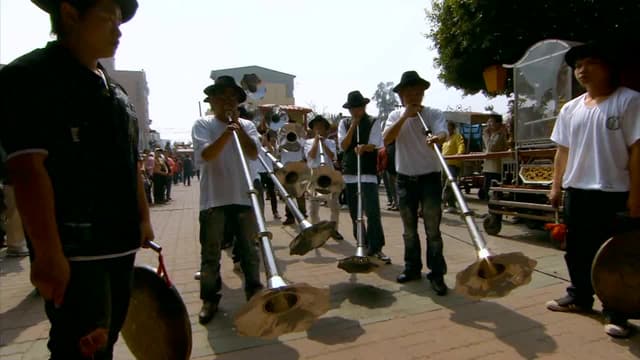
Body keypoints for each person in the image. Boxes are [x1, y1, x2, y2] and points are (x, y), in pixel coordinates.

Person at [0, 0, 155, 358]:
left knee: (107, 341)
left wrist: (143, 219)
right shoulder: (31, 78)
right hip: (75, 253)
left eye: (120, 22)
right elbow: (28, 170)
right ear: (70, 14)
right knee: (81, 348)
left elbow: (128, 162)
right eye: (107, 19)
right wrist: (48, 253)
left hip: (120, 243)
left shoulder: (114, 92)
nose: (118, 31)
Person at [546, 42, 640, 339]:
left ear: (608, 66)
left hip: (614, 192)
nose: (582, 71)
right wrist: (556, 185)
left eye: (590, 63)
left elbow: (637, 150)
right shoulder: (570, 109)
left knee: (614, 256)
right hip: (577, 191)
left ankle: (617, 312)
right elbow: (562, 151)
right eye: (577, 66)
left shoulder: (629, 101)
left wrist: (636, 196)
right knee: (576, 251)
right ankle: (580, 297)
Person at [192, 76, 263, 325]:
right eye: (221, 96)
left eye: (232, 97)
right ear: (211, 100)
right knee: (211, 254)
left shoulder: (247, 125)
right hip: (213, 200)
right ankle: (210, 299)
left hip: (243, 197)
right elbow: (207, 154)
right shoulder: (202, 124)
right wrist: (227, 133)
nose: (227, 101)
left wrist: (238, 128)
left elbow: (253, 152)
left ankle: (254, 294)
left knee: (249, 251)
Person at [383, 71, 449, 295]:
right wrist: (405, 117)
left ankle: (437, 273)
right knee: (409, 229)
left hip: (430, 177)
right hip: (405, 180)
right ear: (401, 96)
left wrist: (437, 139)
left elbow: (443, 134)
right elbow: (387, 138)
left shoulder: (433, 114)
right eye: (409, 92)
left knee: (432, 229)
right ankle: (412, 268)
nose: (414, 96)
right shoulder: (394, 116)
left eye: (418, 92)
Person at [338, 91, 390, 264]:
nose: (356, 111)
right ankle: (362, 244)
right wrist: (353, 126)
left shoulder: (374, 121)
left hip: (368, 173)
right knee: (355, 213)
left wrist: (365, 147)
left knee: (373, 212)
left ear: (364, 106)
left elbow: (377, 143)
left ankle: (377, 247)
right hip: (351, 174)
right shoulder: (343, 123)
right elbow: (344, 145)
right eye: (353, 108)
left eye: (358, 107)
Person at [305, 115, 343, 240]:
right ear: (312, 129)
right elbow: (311, 155)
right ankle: (316, 230)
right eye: (316, 128)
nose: (319, 130)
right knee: (313, 209)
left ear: (326, 129)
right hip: (315, 176)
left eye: (321, 128)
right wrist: (316, 141)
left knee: (334, 206)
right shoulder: (308, 142)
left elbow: (333, 157)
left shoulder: (331, 142)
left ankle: (334, 229)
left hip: (329, 176)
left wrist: (323, 143)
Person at [481, 114, 508, 200]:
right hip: (488, 166)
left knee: (495, 190)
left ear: (498, 123)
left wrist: (485, 135)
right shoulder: (492, 134)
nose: (488, 124)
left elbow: (491, 147)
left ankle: (495, 210)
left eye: (491, 121)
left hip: (496, 168)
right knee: (487, 189)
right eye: (488, 121)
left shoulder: (500, 134)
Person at [441, 121, 466, 213]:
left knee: (450, 185)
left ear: (452, 128)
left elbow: (461, 146)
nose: (447, 129)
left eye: (448, 127)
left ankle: (446, 203)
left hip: (453, 164)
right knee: (444, 184)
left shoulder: (457, 136)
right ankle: (450, 205)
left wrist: (459, 154)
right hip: (444, 164)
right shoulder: (446, 138)